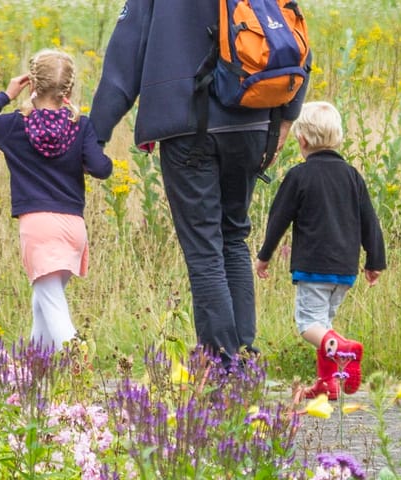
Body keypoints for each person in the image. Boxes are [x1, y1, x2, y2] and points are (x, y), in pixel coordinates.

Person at [89, 0, 310, 365]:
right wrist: (285, 118)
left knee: (205, 247)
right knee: (233, 236)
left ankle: (223, 364)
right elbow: (292, 34)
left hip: (187, 124)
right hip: (254, 117)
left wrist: (93, 137)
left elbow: (123, 63)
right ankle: (244, 356)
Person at [0, 49, 113, 351]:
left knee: (52, 306)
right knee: (43, 303)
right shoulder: (79, 126)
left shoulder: (15, 126)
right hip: (73, 228)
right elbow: (102, 168)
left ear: (32, 84)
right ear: (67, 90)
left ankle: (76, 362)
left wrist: (6, 94)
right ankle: (35, 371)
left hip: (38, 227)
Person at [254, 101, 386, 400]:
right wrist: (375, 261)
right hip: (345, 270)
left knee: (308, 325)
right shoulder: (352, 175)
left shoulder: (299, 176)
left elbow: (278, 219)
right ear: (337, 137)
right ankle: (328, 382)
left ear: (301, 140)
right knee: (323, 325)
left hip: (312, 266)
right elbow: (370, 220)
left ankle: (343, 350)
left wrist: (264, 256)